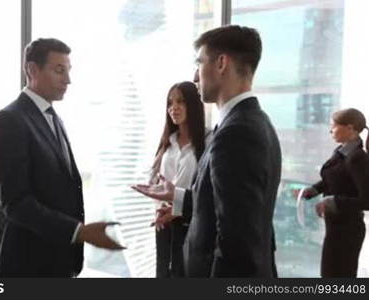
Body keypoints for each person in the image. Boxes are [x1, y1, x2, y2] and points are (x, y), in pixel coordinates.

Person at [133, 25, 282, 277]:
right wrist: (177, 196)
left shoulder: (237, 133)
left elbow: (236, 245)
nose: (194, 75)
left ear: (221, 63)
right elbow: (229, 209)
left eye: (199, 62)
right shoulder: (254, 121)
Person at [0, 38, 123, 278]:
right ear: (32, 70)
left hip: (56, 261)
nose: (67, 80)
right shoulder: (8, 121)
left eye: (68, 71)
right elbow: (16, 202)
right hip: (27, 264)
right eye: (59, 70)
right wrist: (79, 232)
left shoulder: (54, 119)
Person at [299, 108, 369, 277]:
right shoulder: (342, 152)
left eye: (334, 126)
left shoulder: (358, 158)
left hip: (348, 230)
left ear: (350, 128)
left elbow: (367, 200)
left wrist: (333, 201)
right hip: (336, 226)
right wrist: (314, 190)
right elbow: (336, 179)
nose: (330, 130)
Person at [149, 81, 208, 277]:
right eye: (170, 102)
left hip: (191, 224)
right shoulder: (168, 141)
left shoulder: (208, 141)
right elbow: (154, 180)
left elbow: (208, 191)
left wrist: (178, 208)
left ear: (192, 104)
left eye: (180, 101)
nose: (173, 107)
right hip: (164, 224)